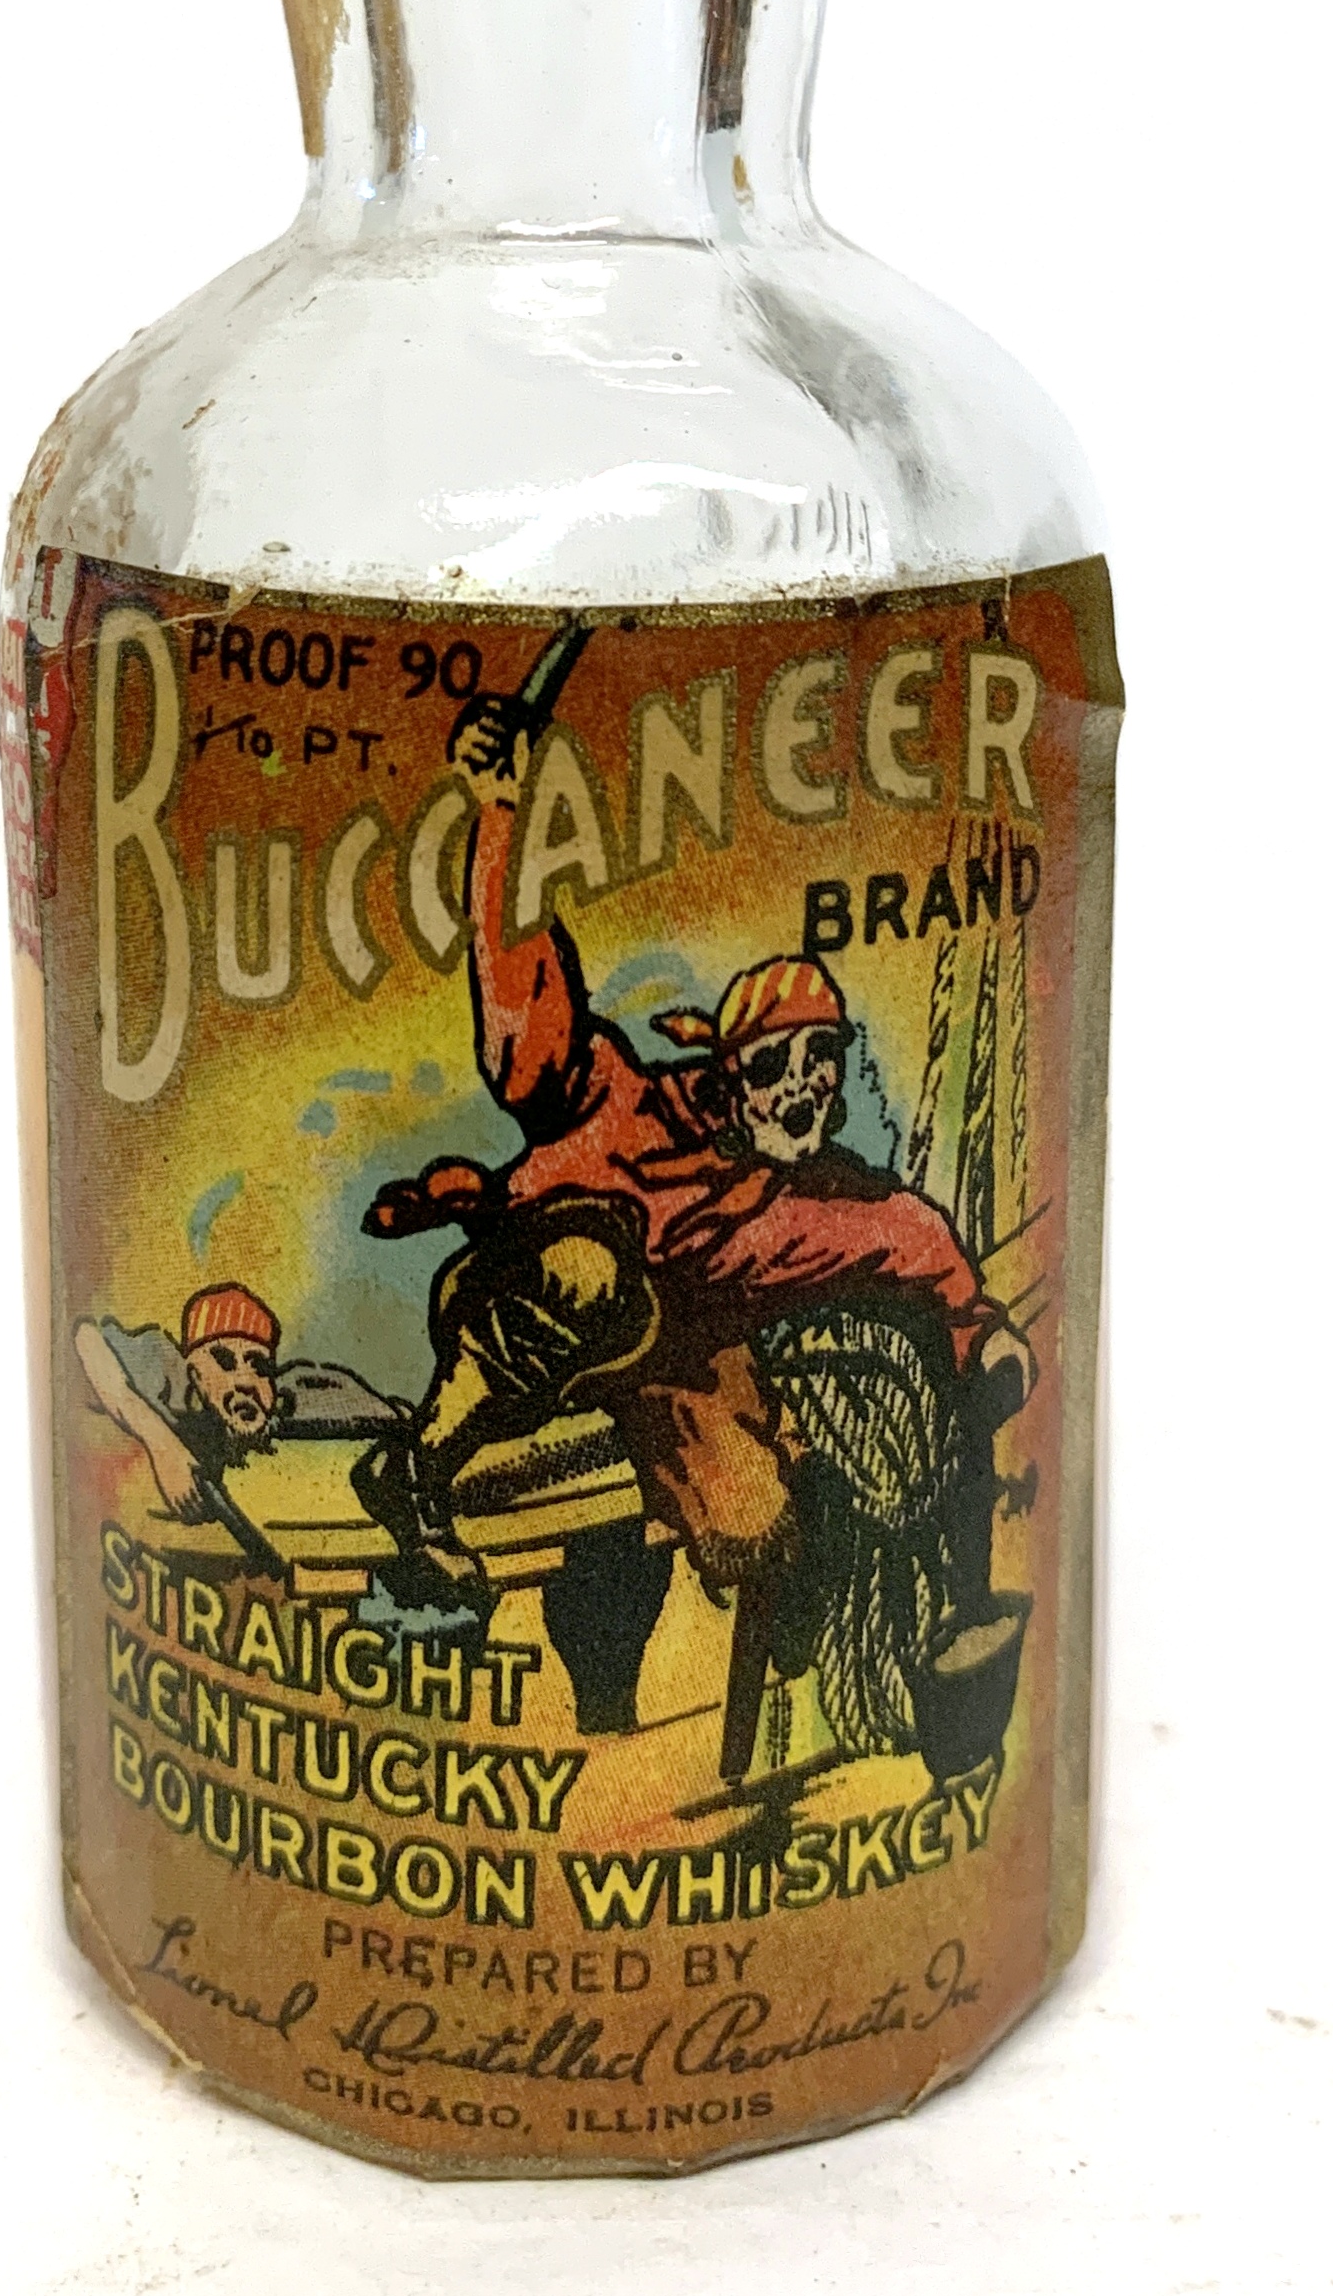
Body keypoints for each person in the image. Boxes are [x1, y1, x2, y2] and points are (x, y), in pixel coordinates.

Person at [358, 694, 1033, 1704]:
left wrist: (985, 1342)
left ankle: (790, 1614)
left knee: (755, 1523)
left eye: (822, 1060)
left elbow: (913, 1238)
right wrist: (498, 812)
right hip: (526, 1305)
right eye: (776, 1062)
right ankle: (414, 1474)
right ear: (724, 1068)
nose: (804, 1086)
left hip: (662, 1371)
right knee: (588, 1271)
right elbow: (523, 999)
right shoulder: (615, 1098)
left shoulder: (795, 1210)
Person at [75, 1283, 403, 1526]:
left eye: (259, 1366)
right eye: (225, 1362)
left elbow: (390, 1416)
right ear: (194, 1373)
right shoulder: (170, 1377)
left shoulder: (290, 1397)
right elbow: (86, 1339)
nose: (246, 1380)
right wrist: (162, 1445)